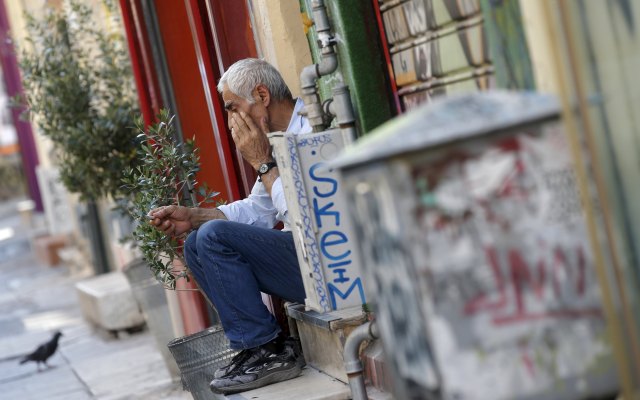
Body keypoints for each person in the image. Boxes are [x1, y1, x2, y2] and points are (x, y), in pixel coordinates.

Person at [148, 58, 311, 394]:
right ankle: (256, 346)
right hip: (302, 264)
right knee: (197, 240)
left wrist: (262, 162)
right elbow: (258, 210)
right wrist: (193, 216)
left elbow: (303, 219)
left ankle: (272, 351)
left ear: (262, 95)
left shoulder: (310, 127)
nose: (230, 120)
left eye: (232, 107)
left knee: (213, 237)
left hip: (327, 265)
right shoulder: (275, 138)